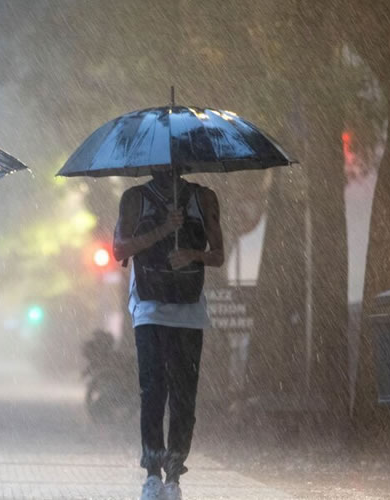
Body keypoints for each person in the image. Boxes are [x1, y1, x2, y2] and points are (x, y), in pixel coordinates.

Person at [113, 171, 224, 500]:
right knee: (152, 389)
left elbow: (218, 254)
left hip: (189, 312)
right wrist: (163, 229)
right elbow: (119, 249)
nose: (169, 166)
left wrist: (192, 254)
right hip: (148, 309)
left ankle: (174, 475)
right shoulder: (135, 199)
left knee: (184, 396)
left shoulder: (203, 198)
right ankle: (151, 473)